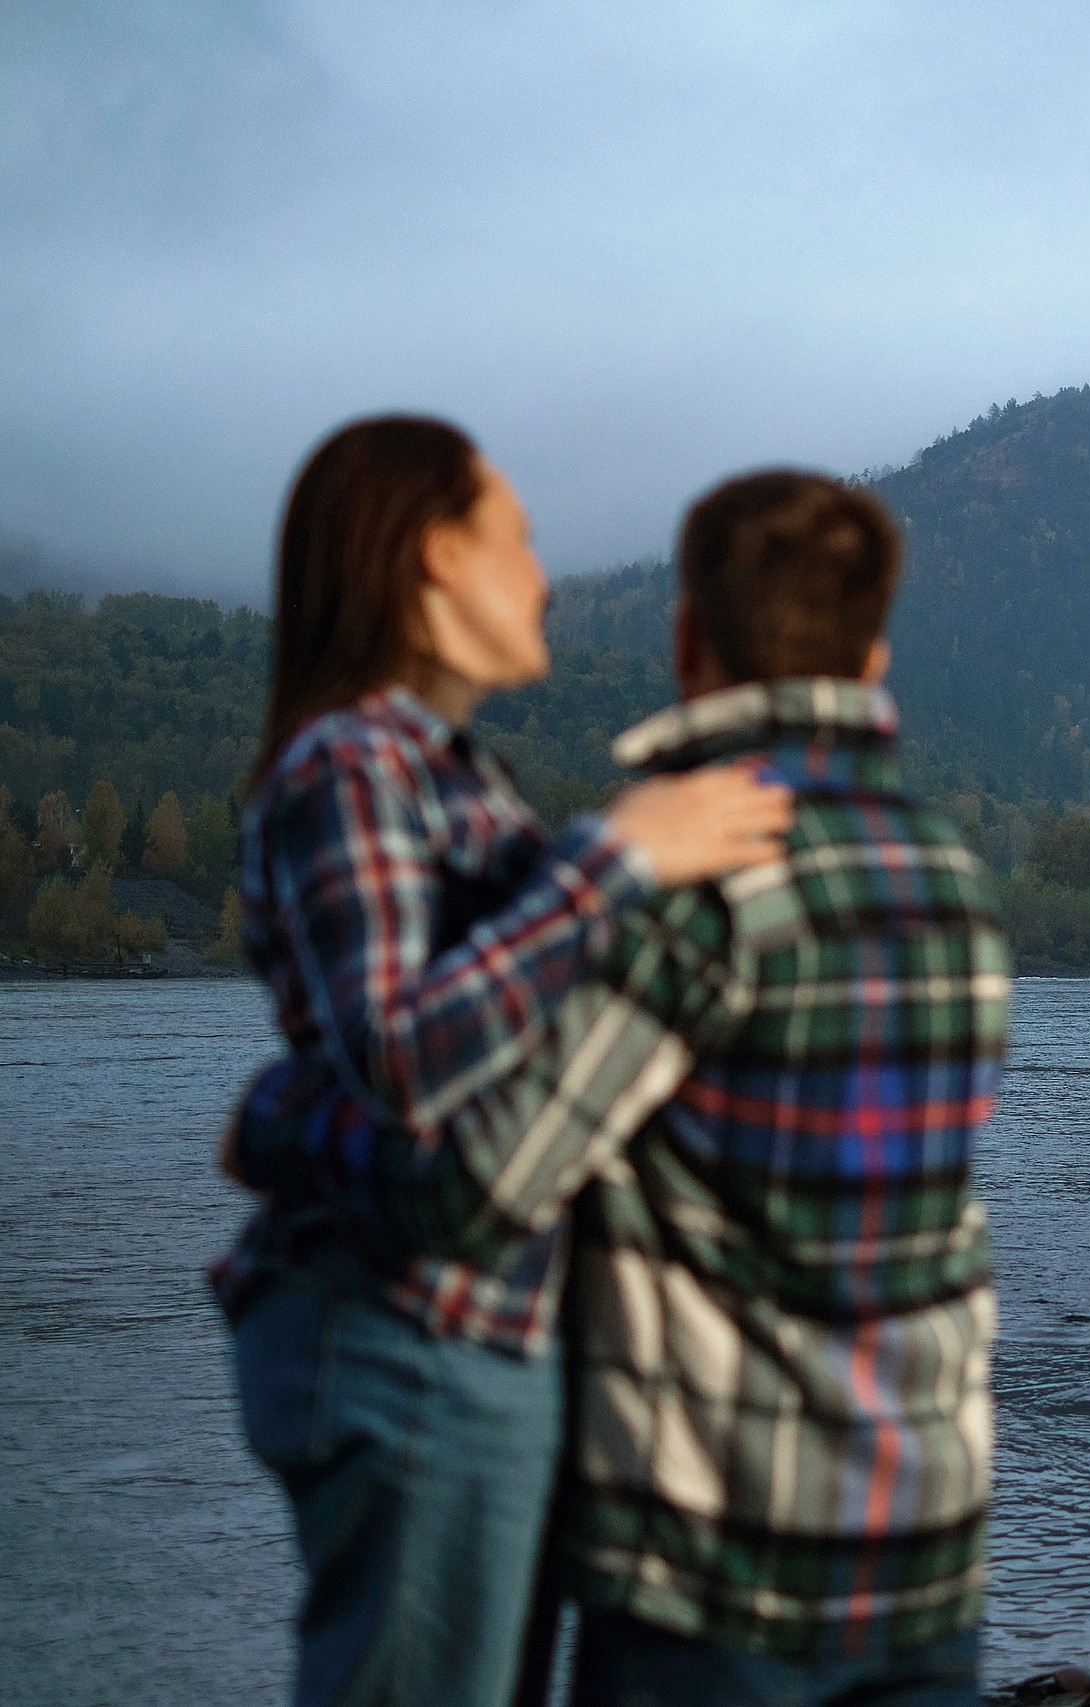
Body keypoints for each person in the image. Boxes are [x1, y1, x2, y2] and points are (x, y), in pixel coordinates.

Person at [235, 467, 1012, 1707]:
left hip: (720, 1565)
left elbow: (475, 1193)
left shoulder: (697, 889)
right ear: (874, 655)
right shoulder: (953, 881)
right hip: (928, 1543)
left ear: (686, 639)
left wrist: (286, 1119)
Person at [216, 415, 796, 1707]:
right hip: (401, 1326)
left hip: (472, 1326)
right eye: (519, 538)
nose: (543, 572)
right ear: (433, 555)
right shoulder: (350, 764)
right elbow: (401, 1049)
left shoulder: (451, 773)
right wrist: (619, 854)